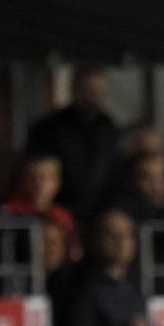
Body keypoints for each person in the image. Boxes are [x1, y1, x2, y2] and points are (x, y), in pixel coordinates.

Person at [58, 209, 162, 326]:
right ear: (96, 240)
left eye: (126, 235)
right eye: (112, 235)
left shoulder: (135, 291)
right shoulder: (85, 292)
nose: (121, 242)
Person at [25, 64, 122, 220]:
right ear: (75, 89)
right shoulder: (51, 127)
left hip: (101, 211)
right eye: (88, 91)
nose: (92, 97)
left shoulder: (109, 129)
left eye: (97, 92)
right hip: (61, 209)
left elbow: (114, 169)